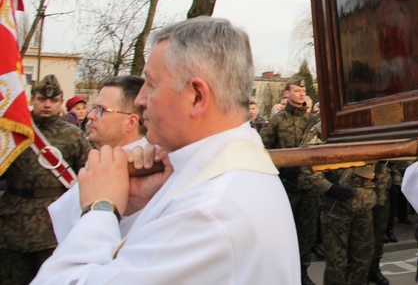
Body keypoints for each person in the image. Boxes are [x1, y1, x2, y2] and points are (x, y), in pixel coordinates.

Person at [32, 17, 299, 284]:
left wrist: (100, 209)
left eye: (151, 84)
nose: (139, 100)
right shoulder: (219, 176)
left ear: (197, 96)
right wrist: (134, 204)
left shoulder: (207, 212)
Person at [0, 75, 91, 285]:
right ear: (32, 100)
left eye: (53, 100)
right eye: (41, 99)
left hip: (53, 224)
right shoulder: (14, 131)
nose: (47, 104)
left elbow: (87, 174)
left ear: (60, 102)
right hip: (12, 222)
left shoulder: (72, 135)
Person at [47, 75, 149, 243]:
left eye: (101, 110)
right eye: (94, 108)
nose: (91, 116)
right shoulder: (108, 160)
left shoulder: (141, 167)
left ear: (130, 122)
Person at [260, 75, 321, 285]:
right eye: (296, 90)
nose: (301, 93)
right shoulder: (277, 121)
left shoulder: (313, 121)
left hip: (309, 186)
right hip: (286, 188)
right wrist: (280, 169)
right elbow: (263, 150)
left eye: (303, 90)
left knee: (307, 233)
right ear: (287, 93)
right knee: (284, 233)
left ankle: (302, 273)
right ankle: (283, 273)